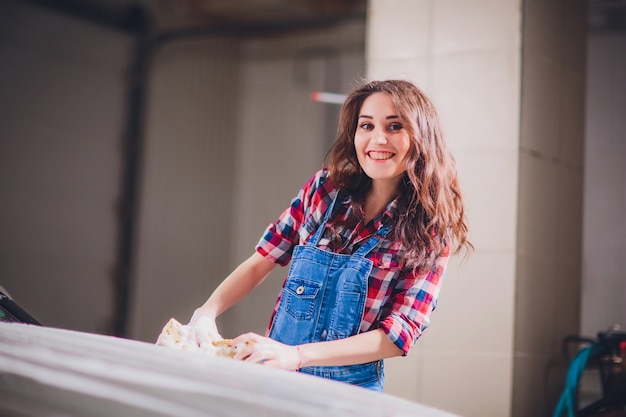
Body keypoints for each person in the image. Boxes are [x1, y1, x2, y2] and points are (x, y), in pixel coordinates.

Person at [183, 79, 472, 392]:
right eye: (366, 125)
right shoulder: (325, 190)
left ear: (420, 137)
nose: (377, 139)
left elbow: (399, 334)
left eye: (394, 126)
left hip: (349, 394)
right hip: (276, 378)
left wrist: (297, 355)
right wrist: (205, 312)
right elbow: (263, 258)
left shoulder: (428, 231)